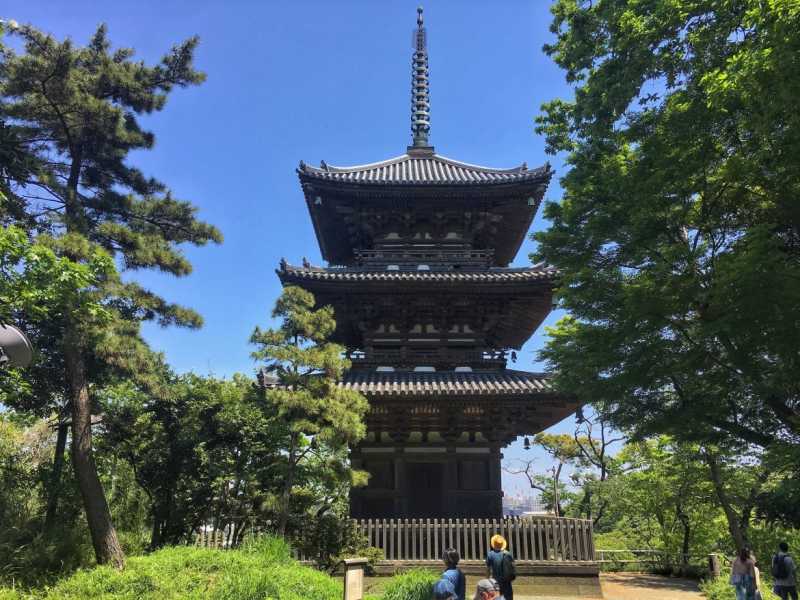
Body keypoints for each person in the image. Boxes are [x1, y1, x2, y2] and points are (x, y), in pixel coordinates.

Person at [486, 534, 515, 600]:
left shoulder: (490, 554)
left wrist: (487, 580)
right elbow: (512, 568)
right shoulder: (508, 554)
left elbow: (488, 569)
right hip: (507, 582)